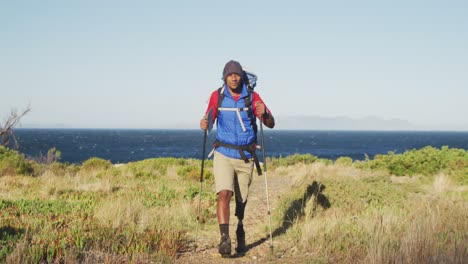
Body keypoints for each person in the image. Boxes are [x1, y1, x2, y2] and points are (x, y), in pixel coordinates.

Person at [200, 60, 275, 258]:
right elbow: (209, 119)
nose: (233, 77)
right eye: (230, 74)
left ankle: (240, 226)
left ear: (241, 76)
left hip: (246, 156)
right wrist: (204, 123)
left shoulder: (252, 96)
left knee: (241, 200)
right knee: (224, 193)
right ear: (224, 77)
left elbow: (270, 123)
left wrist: (264, 113)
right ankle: (224, 238)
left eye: (237, 74)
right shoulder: (217, 96)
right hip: (223, 153)